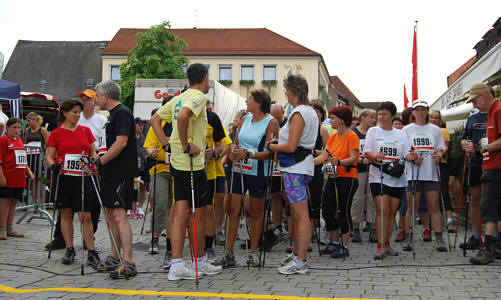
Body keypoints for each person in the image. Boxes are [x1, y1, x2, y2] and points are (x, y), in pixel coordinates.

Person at [151, 63, 222, 280]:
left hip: (178, 164)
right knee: (198, 214)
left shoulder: (179, 97)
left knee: (181, 212)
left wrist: (166, 144)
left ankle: (177, 265)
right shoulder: (198, 96)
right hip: (192, 163)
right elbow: (182, 117)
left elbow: (154, 119)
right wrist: (184, 145)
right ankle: (198, 261)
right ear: (205, 78)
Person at [216, 88, 278, 268]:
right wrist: (234, 152)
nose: (246, 101)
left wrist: (249, 154)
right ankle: (229, 253)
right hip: (239, 170)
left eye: (250, 99)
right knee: (232, 210)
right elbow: (236, 143)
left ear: (259, 103)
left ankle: (253, 252)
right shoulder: (244, 119)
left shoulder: (271, 122)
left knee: (256, 211)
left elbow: (271, 152)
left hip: (258, 172)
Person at [269, 74, 318, 274]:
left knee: (300, 215)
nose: (285, 94)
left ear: (295, 92)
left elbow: (290, 146)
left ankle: (301, 260)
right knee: (298, 216)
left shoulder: (299, 113)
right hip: (302, 167)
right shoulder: (311, 112)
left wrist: (272, 146)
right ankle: (298, 254)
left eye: (287, 90)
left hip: (295, 169)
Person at [46, 89, 107, 251]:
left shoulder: (85, 131)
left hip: (83, 176)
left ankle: (91, 249)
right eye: (74, 112)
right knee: (65, 214)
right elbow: (49, 157)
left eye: (79, 112)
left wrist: (92, 161)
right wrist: (53, 165)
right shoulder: (56, 133)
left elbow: (93, 153)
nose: (77, 115)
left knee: (85, 215)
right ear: (64, 113)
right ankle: (69, 247)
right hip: (64, 177)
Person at [93, 80, 138, 279]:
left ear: (107, 96)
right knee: (111, 215)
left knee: (120, 215)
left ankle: (128, 261)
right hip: (110, 172)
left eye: (97, 95)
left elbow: (121, 143)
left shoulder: (122, 113)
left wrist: (100, 162)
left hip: (120, 172)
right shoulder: (112, 116)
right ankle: (114, 255)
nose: (96, 99)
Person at [315, 105, 359, 258]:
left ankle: (344, 245)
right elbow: (323, 156)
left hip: (347, 178)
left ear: (341, 120)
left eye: (332, 118)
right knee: (327, 210)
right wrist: (307, 162)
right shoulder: (333, 137)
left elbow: (354, 157)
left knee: (343, 211)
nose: (330, 120)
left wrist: (339, 162)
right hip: (333, 178)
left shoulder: (351, 135)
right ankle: (334, 242)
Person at [402, 99, 447, 252]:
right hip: (413, 173)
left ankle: (439, 239)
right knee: (411, 207)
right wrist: (411, 157)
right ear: (413, 112)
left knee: (434, 207)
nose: (420, 112)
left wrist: (439, 155)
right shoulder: (406, 130)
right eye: (417, 109)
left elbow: (441, 149)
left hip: (431, 173)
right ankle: (408, 238)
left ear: (427, 111)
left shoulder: (435, 129)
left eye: (423, 109)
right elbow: (403, 153)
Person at [364, 102, 407, 259]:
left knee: (391, 212)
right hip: (378, 176)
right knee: (382, 210)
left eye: (384, 114)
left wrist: (412, 157)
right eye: (379, 114)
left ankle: (387, 243)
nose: (381, 117)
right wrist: (375, 157)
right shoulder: (373, 131)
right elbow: (367, 152)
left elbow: (406, 153)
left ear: (393, 116)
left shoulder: (401, 134)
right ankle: (380, 245)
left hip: (397, 177)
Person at [467, 83, 501, 264]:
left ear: (484, 96)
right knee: (497, 209)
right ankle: (498, 246)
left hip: (496, 167)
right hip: (491, 166)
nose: (474, 105)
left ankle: (487, 248)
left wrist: (485, 146)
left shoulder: (498, 110)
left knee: (488, 207)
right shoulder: (492, 113)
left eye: (475, 101)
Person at [144, 96, 174, 268]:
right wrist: (150, 152)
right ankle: (154, 239)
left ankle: (171, 243)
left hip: (178, 169)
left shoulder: (181, 122)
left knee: (174, 208)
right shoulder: (158, 123)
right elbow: (148, 145)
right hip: (161, 169)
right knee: (161, 204)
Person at [0, 118, 35, 239]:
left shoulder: (19, 140)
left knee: (14, 202)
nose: (17, 130)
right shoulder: (3, 141)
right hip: (8, 175)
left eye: (19, 128)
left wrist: (29, 171)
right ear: (8, 128)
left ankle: (10, 227)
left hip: (19, 177)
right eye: (14, 127)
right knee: (6, 202)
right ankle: (2, 228)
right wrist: (2, 177)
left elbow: (22, 159)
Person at [460, 101, 488, 250]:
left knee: (491, 200)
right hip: (475, 163)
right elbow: (464, 137)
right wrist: (465, 144)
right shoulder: (472, 118)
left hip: (493, 163)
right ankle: (476, 236)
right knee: (475, 199)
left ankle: (494, 238)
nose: (474, 102)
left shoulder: (495, 114)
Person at [350, 108, 377, 243]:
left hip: (373, 169)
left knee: (372, 197)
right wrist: (360, 160)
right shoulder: (353, 133)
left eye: (374, 117)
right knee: (357, 198)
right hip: (358, 169)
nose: (374, 120)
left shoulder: (374, 133)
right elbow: (348, 153)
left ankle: (373, 227)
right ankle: (355, 228)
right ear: (363, 118)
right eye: (371, 117)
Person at [430, 111, 454, 232]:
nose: (433, 120)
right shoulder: (426, 130)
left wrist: (438, 155)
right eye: (432, 117)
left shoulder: (443, 131)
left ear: (440, 120)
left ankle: (449, 219)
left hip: (441, 163)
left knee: (443, 190)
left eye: (436, 118)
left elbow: (445, 148)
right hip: (427, 164)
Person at [24, 112, 49, 207]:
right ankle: (34, 202)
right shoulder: (27, 130)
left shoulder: (42, 130)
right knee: (32, 180)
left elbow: (48, 145)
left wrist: (45, 158)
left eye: (29, 121)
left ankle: (41, 201)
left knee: (40, 180)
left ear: (35, 120)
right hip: (30, 156)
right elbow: (25, 142)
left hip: (40, 157)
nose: (28, 123)